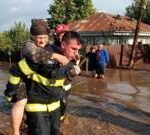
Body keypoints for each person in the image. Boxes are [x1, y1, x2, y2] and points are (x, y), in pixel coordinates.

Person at [4, 30, 82, 135]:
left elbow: (65, 87)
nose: (76, 54)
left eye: (78, 50)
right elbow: (16, 70)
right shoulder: (43, 57)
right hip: (37, 106)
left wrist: (73, 71)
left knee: (55, 132)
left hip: (55, 106)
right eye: (73, 49)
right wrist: (11, 93)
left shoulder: (71, 60)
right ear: (63, 44)